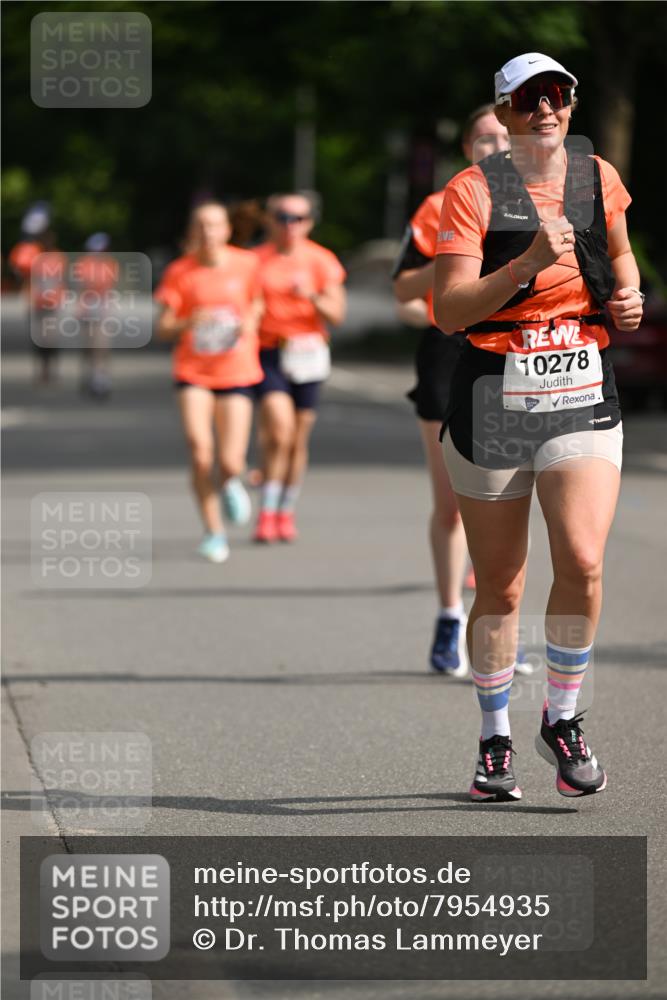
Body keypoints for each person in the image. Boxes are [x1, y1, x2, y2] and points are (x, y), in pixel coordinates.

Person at [433, 53, 643, 801]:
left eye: (557, 95)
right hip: (492, 394)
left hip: (580, 387)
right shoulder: (469, 192)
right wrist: (523, 263)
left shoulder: (598, 178)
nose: (545, 109)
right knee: (500, 584)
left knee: (582, 559)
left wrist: (627, 298)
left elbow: (619, 255)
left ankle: (561, 718)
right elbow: (449, 311)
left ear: (571, 104)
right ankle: (493, 738)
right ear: (504, 111)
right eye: (528, 100)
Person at [393, 106, 510, 678]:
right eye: (483, 138)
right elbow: (402, 290)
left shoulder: (541, 198)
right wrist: (449, 253)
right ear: (467, 146)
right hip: (448, 357)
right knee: (451, 507)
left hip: (521, 361)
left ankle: (499, 633)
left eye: (502, 136)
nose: (494, 146)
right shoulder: (439, 206)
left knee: (512, 506)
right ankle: (447, 616)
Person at [155, 201, 263, 563]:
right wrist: (188, 323)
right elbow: (163, 328)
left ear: (227, 230)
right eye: (201, 226)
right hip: (193, 371)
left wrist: (250, 322)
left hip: (237, 370)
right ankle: (213, 531)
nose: (208, 233)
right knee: (200, 452)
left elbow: (258, 304)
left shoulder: (247, 264)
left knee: (230, 461)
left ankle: (231, 481)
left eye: (214, 225)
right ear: (191, 232)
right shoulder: (180, 272)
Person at [252, 193, 346, 543]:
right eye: (281, 217)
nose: (289, 225)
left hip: (309, 352)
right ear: (269, 220)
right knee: (279, 430)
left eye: (298, 218)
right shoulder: (255, 260)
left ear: (309, 222)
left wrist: (311, 296)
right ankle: (266, 509)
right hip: (269, 351)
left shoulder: (321, 261)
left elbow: (336, 315)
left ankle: (285, 510)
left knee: (297, 438)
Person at [77, 232, 119, 399]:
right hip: (88, 305)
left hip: (102, 305)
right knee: (88, 345)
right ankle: (89, 375)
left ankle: (101, 378)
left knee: (102, 345)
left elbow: (110, 287)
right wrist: (80, 307)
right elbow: (82, 287)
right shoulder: (84, 264)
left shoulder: (110, 264)